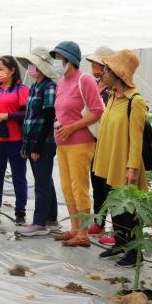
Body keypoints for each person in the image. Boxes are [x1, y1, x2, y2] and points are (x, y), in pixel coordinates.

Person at [91, 49, 148, 267]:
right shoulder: (114, 97)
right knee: (115, 205)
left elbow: (136, 139)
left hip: (124, 163)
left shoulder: (135, 101)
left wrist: (132, 167)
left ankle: (134, 253)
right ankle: (120, 244)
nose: (103, 72)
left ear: (118, 72)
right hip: (109, 161)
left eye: (106, 69)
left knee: (127, 210)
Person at [50, 41, 105, 247]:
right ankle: (74, 228)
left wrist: (73, 127)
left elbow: (98, 110)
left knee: (79, 187)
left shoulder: (85, 80)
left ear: (68, 60)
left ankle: (83, 234)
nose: (55, 62)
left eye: (58, 59)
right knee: (67, 187)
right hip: (62, 142)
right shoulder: (62, 82)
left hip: (80, 142)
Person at [15, 47, 60, 237]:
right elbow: (29, 118)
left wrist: (37, 145)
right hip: (32, 140)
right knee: (45, 179)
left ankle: (40, 223)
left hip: (44, 142)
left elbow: (49, 116)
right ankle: (51, 218)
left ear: (41, 67)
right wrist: (26, 145)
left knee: (41, 183)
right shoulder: (35, 86)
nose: (30, 68)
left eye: (33, 64)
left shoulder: (49, 86)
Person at [0, 56, 29, 225]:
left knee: (18, 176)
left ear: (12, 70)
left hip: (16, 140)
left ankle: (20, 211)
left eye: (2, 69)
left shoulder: (21, 90)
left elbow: (26, 114)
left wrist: (9, 115)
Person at [85, 45, 117, 245]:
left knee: (111, 186)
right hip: (94, 140)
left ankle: (117, 228)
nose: (93, 67)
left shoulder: (115, 87)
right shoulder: (96, 84)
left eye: (97, 64)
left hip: (110, 143)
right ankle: (99, 221)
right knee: (97, 182)